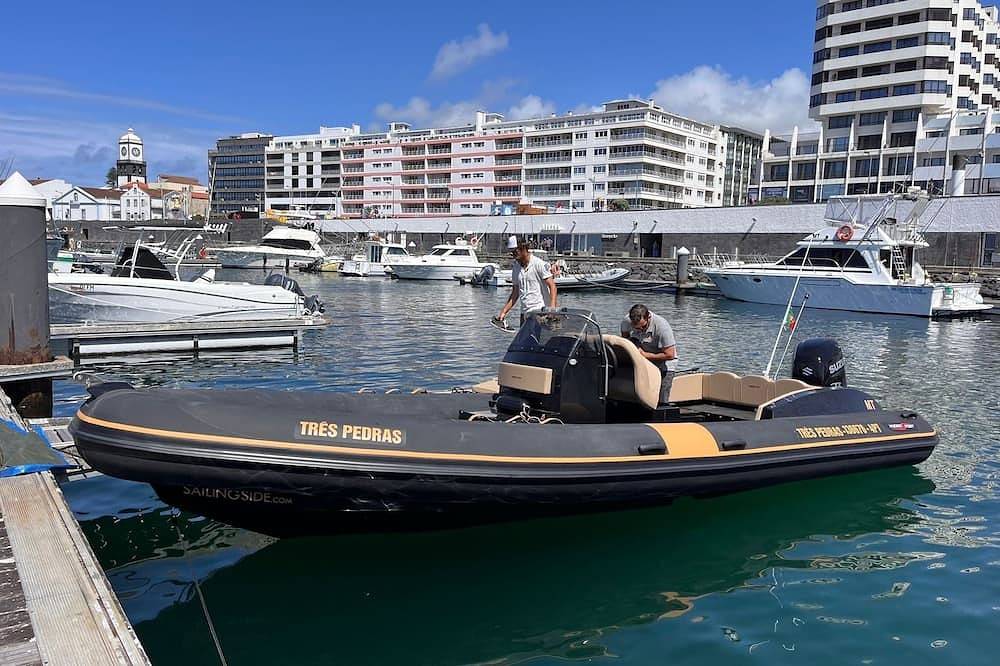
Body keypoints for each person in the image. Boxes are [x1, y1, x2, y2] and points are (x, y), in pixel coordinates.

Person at [621, 304, 677, 404]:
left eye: (643, 327)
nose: (640, 330)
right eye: (636, 328)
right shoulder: (626, 321)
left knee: (661, 396)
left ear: (648, 317)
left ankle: (662, 411)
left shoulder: (662, 327)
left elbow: (670, 355)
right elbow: (625, 341)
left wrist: (645, 355)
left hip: (664, 362)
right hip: (642, 359)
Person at [497, 236, 557, 325]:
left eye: (515, 251)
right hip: (524, 313)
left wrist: (552, 309)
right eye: (511, 252)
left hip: (540, 312)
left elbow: (552, 286)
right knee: (523, 338)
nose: (513, 254)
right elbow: (515, 293)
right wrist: (504, 312)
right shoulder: (516, 267)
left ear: (524, 248)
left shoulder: (538, 264)